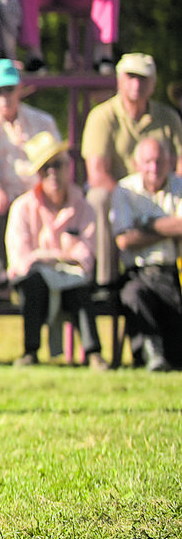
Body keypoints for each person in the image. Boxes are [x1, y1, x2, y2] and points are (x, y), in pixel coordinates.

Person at [4, 132, 106, 369]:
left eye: (57, 165)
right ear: (37, 175)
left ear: (68, 167)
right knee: (34, 283)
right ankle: (30, 351)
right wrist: (60, 258)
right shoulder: (22, 207)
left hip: (71, 279)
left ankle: (93, 353)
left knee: (79, 288)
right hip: (35, 279)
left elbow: (87, 256)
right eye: (45, 168)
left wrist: (46, 258)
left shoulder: (83, 205)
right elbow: (21, 260)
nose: (52, 173)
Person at [81, 52, 182, 286]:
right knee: (98, 198)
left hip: (164, 193)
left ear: (154, 83)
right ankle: (105, 280)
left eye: (143, 78)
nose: (136, 84)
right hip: (121, 194)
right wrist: (129, 200)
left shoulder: (168, 118)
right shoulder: (102, 117)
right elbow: (96, 173)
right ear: (119, 79)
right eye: (130, 77)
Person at [0, 58, 60, 295]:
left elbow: (56, 162)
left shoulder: (42, 121)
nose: (4, 96)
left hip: (38, 195)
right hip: (5, 196)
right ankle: (4, 276)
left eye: (9, 89)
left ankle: (59, 274)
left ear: (20, 88)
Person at [110, 135, 182, 371]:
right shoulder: (124, 190)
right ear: (137, 163)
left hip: (173, 272)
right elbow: (125, 240)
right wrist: (168, 227)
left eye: (159, 161)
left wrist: (147, 225)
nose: (154, 168)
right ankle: (151, 354)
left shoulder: (178, 185)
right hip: (138, 273)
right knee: (134, 295)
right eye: (148, 161)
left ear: (170, 161)